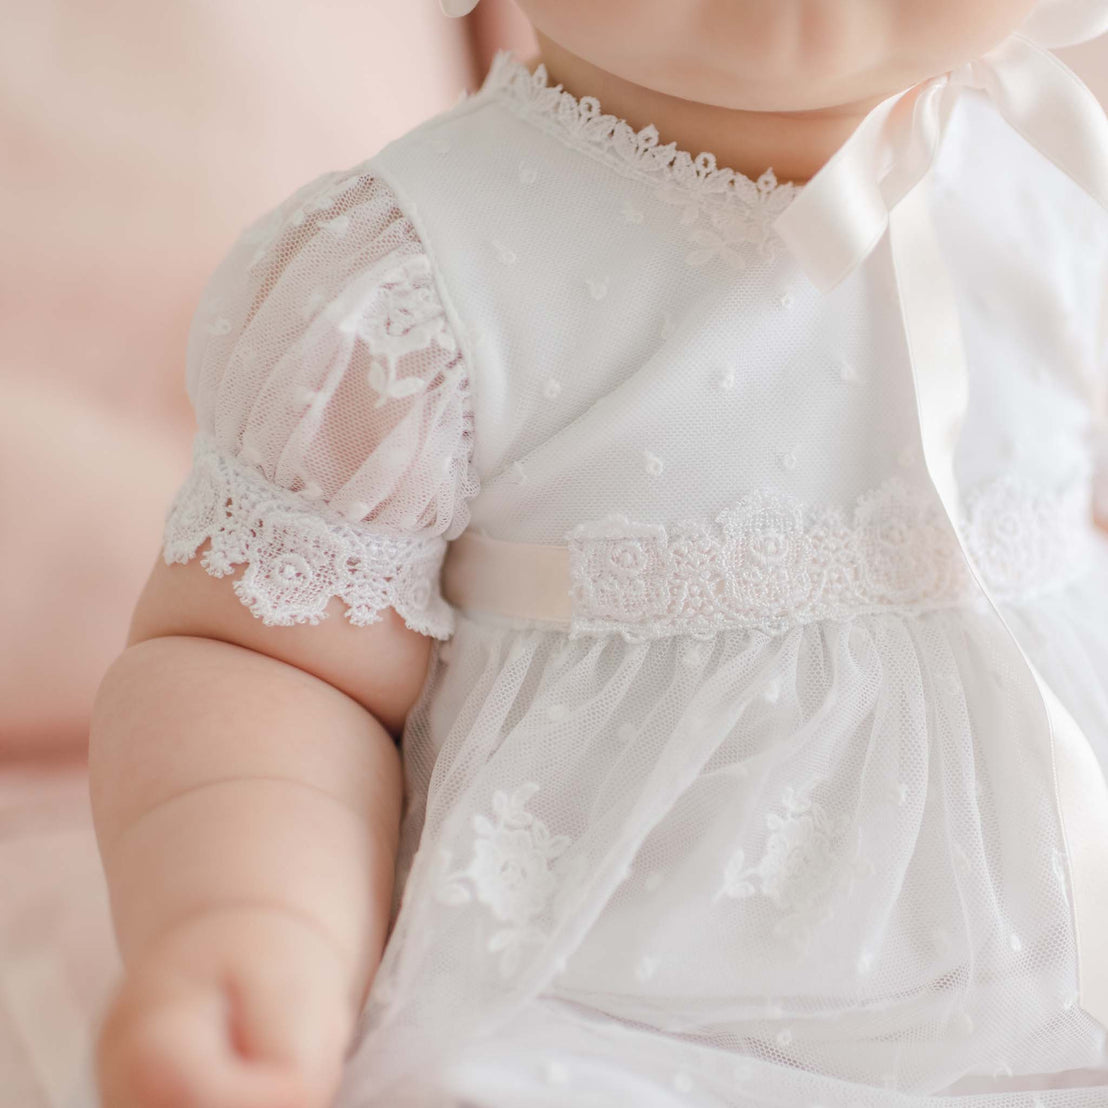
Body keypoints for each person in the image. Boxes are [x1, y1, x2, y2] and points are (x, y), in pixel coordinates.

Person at [89, 0, 1108, 1104]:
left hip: (1065, 956)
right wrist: (251, 918)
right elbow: (271, 662)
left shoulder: (1062, 182)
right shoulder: (421, 274)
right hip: (607, 1004)